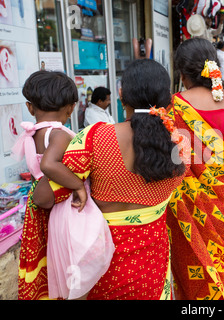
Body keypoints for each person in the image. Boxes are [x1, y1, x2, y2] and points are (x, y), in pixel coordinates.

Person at [34, 59, 188, 300]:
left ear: (121, 95)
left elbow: (42, 198)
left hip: (104, 267)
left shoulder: (94, 138)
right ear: (167, 97)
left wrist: (77, 186)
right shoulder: (178, 143)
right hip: (153, 267)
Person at [167, 38, 224, 300]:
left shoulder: (172, 108)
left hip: (188, 209)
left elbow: (169, 163)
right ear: (214, 66)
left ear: (182, 73)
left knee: (192, 269)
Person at [11, 70, 79, 300]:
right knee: (61, 255)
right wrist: (78, 186)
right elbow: (49, 165)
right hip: (57, 208)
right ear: (71, 108)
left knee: (44, 253)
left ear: (30, 108)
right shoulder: (58, 134)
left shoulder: (35, 132)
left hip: (37, 205)